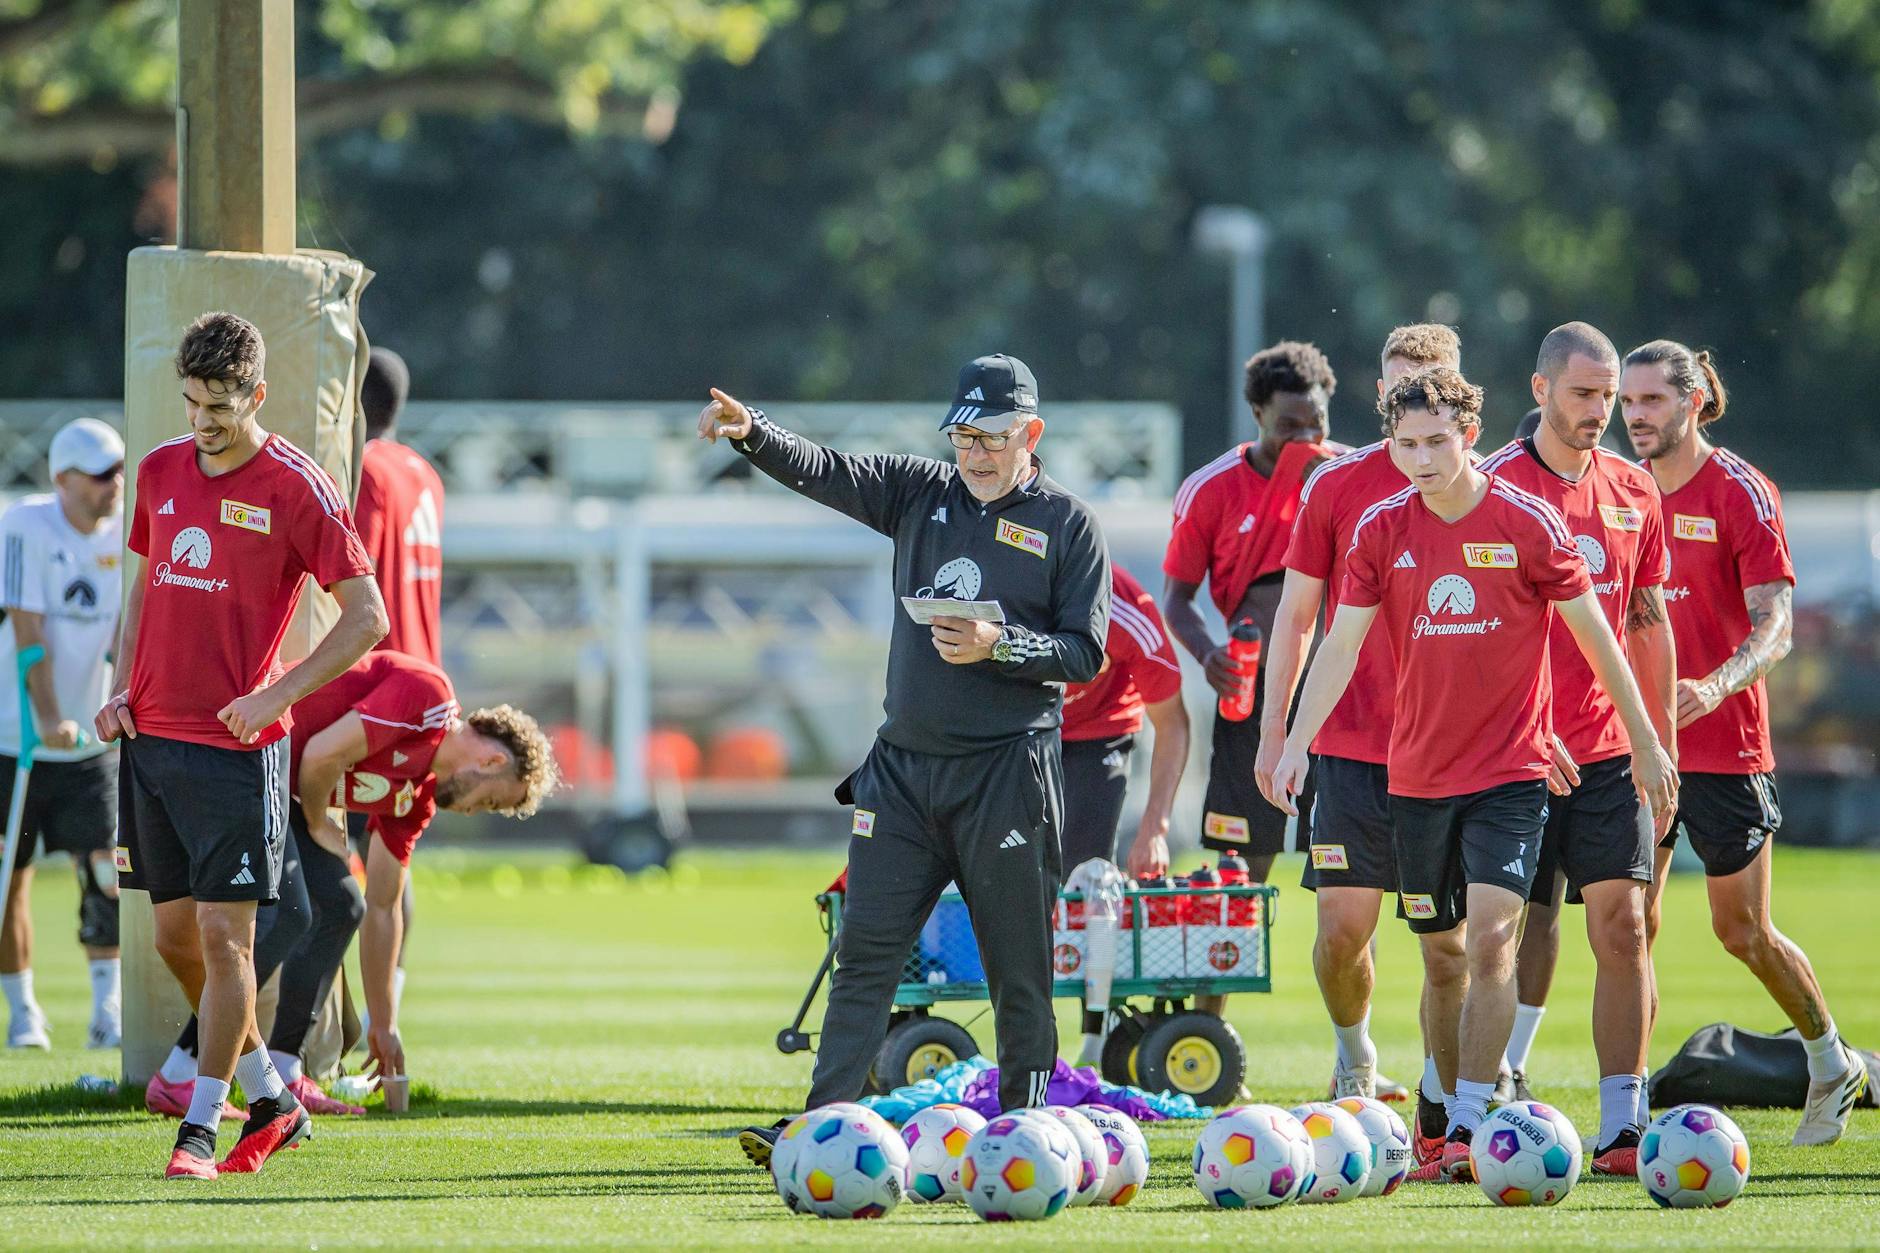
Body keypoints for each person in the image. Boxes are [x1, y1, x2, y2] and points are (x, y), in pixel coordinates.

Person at [1271, 366, 1676, 1184]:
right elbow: (1340, 646)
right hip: (1415, 782)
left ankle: (1465, 1125)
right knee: (1443, 955)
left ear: (1469, 435)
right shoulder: (1382, 529)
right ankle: (1441, 1115)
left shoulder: (1526, 523)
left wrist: (1645, 738)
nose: (1421, 459)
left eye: (1436, 442)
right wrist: (1291, 743)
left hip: (1511, 775)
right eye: (1406, 443)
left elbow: (1599, 635)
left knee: (1494, 939)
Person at [705, 354, 1109, 1166]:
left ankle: (1022, 1129)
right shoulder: (920, 493)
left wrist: (1002, 645)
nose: (974, 452)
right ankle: (824, 1128)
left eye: (991, 437)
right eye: (962, 435)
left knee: (1017, 964)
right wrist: (752, 434)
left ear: (1030, 433)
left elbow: (1087, 650)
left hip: (1007, 773)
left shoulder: (1068, 523)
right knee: (865, 955)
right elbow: (826, 469)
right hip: (902, 770)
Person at [98, 311, 388, 1180]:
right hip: (150, 743)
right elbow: (142, 591)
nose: (201, 422)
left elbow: (367, 617)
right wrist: (120, 686)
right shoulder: (157, 471)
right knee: (178, 944)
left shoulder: (297, 485)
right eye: (190, 403)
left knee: (230, 946)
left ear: (256, 394)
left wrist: (276, 693)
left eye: (218, 406)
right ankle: (271, 1094)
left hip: (236, 754)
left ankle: (198, 1129)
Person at [1623, 338, 1867, 1146]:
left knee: (1742, 932)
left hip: (1727, 750)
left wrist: (1714, 685)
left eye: (1651, 400)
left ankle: (1831, 1061)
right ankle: (1625, 1109)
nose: (1635, 417)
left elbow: (1779, 627)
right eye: (1627, 402)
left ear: (1693, 402)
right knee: (1630, 923)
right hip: (1640, 751)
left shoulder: (1740, 490)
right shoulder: (1620, 491)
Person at [148, 651, 558, 1117]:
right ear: (491, 760)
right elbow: (323, 753)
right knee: (290, 914)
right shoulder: (431, 696)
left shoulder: (417, 798)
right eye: (490, 802)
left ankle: (284, 1069)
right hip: (249, 756)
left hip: (290, 787)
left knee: (343, 906)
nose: (474, 811)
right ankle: (182, 1072)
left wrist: (384, 1025)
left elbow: (383, 905)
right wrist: (321, 821)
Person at [1477, 323, 1678, 1174]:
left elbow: (1646, 623)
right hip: (1512, 753)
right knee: (1500, 935)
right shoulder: (1488, 488)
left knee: (1624, 927)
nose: (1602, 411)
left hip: (1605, 753)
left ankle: (1623, 1125)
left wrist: (1655, 743)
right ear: (1541, 389)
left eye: (1610, 396)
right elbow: (1470, 636)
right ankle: (1471, 1104)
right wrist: (1526, 724)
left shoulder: (1636, 489)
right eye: (1586, 394)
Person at [1255, 324, 1461, 1112]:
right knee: (1342, 932)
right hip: (1347, 744)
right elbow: (1296, 617)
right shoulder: (1335, 487)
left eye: (1432, 380)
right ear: (1379, 394)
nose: (1413, 393)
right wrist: (1278, 735)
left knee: (1448, 946)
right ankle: (1355, 1057)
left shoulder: (1489, 491)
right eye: (1400, 382)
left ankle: (1450, 1097)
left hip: (1453, 753)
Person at [1, 419, 126, 1051]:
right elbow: (28, 630)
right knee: (11, 874)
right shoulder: (24, 525)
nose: (115, 484)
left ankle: (108, 1009)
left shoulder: (131, 531)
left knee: (106, 871)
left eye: (118, 470)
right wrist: (47, 716)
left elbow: (127, 632)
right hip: (14, 738)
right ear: (63, 480)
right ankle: (24, 1012)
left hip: (90, 743)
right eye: (102, 474)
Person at [1057, 563, 1186, 1067]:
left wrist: (1155, 826)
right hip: (1018, 728)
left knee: (1089, 876)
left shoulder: (1130, 616)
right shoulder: (1009, 589)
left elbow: (1173, 724)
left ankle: (1096, 1034)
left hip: (1098, 734)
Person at [352, 346, 442, 1028]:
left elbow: (348, 575)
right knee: (392, 859)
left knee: (340, 862)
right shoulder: (424, 471)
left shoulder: (367, 471)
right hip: (426, 684)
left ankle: (345, 1032)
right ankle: (391, 1017)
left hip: (374, 688)